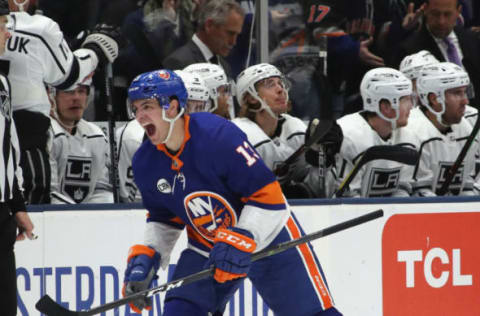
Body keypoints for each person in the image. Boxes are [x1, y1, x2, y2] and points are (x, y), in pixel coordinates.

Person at [121, 69, 341, 315]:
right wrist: (150, 256)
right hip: (208, 246)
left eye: (147, 106)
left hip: (271, 238)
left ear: (172, 107)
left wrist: (242, 236)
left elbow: (269, 196)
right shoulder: (145, 162)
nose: (139, 117)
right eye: (136, 108)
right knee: (180, 310)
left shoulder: (217, 135)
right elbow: (164, 217)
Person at [0, 0, 121, 203]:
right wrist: (95, 50)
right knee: (32, 209)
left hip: (11, 127)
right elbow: (68, 76)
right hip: (26, 135)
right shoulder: (38, 28)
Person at [232, 63, 333, 198]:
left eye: (280, 83)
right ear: (250, 97)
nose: (280, 89)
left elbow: (321, 194)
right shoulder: (239, 135)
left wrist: (322, 163)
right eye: (269, 84)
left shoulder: (296, 130)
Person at [331, 67, 416, 197]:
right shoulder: (349, 136)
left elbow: (402, 190)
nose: (411, 106)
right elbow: (347, 198)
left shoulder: (408, 136)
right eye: (405, 100)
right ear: (386, 107)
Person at [0, 2, 35, 315]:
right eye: (1, 27)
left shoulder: (2, 83)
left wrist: (16, 204)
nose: (7, 34)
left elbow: (8, 145)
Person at [404, 62, 477, 196]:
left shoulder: (465, 128)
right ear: (434, 99)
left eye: (465, 92)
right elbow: (416, 195)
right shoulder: (412, 132)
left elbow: (466, 187)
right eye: (457, 93)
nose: (465, 101)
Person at [48, 60, 114, 204]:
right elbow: (48, 194)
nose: (76, 98)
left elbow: (101, 189)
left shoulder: (96, 135)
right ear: (52, 96)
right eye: (69, 91)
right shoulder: (45, 133)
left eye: (82, 91)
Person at [391, 0, 480, 106]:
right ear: (425, 10)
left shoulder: (472, 39)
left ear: (458, 11)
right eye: (435, 14)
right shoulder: (410, 50)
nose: (441, 21)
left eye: (447, 14)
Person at [162, 0, 245, 78]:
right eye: (230, 33)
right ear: (209, 25)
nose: (233, 42)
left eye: (237, 35)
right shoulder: (179, 63)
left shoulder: (225, 66)